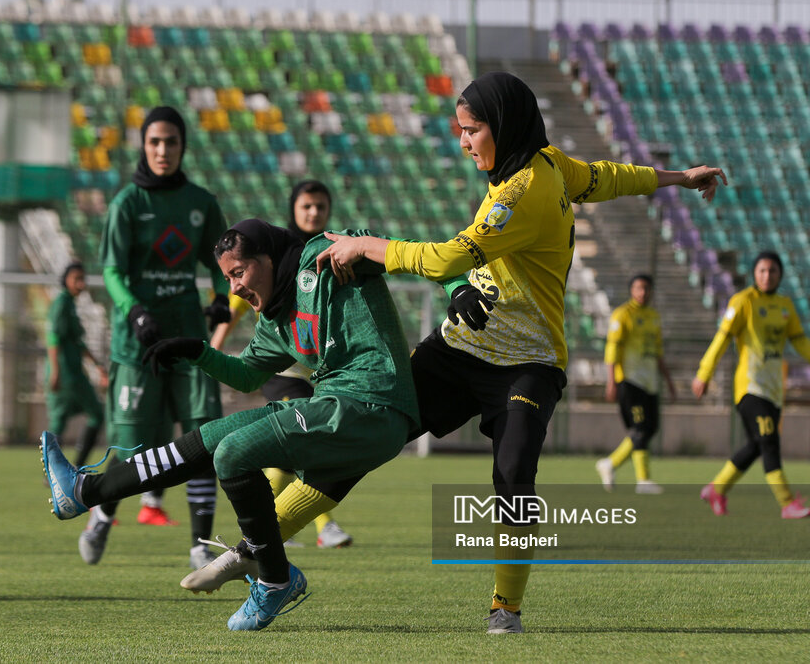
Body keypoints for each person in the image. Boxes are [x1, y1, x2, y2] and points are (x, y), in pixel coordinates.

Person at [309, 72, 726, 634]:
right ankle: (259, 550)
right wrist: (679, 178)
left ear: (502, 127)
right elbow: (606, 176)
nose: (464, 142)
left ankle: (505, 609)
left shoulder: (520, 191)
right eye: (460, 130)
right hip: (463, 346)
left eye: (472, 130)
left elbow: (443, 260)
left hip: (530, 363)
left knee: (513, 476)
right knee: (365, 436)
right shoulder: (550, 163)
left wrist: (366, 245)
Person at [42, 218, 419, 631]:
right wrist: (196, 351)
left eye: (238, 273)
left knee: (234, 452)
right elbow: (246, 376)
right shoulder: (274, 321)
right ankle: (84, 492)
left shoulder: (321, 258)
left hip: (373, 405)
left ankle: (275, 578)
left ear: (268, 259)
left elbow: (409, 255)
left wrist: (453, 285)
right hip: (338, 407)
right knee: (209, 438)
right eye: (227, 278)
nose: (234, 288)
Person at [84, 106, 232, 570]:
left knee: (202, 438)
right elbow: (110, 271)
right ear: (143, 147)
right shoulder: (128, 203)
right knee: (132, 442)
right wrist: (135, 310)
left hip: (188, 339)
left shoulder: (201, 203)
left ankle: (199, 547)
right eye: (154, 142)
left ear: (182, 146)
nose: (162, 150)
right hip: (137, 343)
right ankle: (104, 515)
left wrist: (222, 297)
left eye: (170, 141)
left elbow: (223, 261)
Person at [209, 180, 353, 550]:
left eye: (320, 206)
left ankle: (265, 526)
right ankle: (318, 527)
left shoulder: (326, 249)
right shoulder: (270, 252)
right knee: (299, 446)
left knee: (290, 456)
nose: (314, 213)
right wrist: (214, 350)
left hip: (312, 370)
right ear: (293, 209)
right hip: (282, 369)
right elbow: (238, 299)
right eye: (306, 206)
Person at [692, 251, 810, 519]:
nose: (767, 276)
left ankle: (717, 489)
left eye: (772, 271)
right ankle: (787, 502)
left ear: (780, 274)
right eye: (762, 271)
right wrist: (704, 372)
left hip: (774, 391)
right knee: (769, 441)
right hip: (750, 387)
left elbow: (800, 341)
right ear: (754, 274)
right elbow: (722, 338)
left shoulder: (785, 306)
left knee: (757, 445)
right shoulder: (743, 301)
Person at [594, 274, 676, 494]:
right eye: (639, 288)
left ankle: (610, 464)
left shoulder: (653, 317)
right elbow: (612, 350)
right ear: (631, 290)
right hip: (629, 381)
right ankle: (643, 480)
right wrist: (611, 382)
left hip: (649, 382)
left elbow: (658, 353)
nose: (642, 292)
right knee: (640, 428)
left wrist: (668, 381)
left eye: (646, 288)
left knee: (650, 428)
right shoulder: (622, 315)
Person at [45, 262, 107, 468]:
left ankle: (55, 471)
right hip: (66, 373)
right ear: (66, 280)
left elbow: (77, 342)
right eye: (76, 279)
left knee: (59, 421)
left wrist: (97, 365)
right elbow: (53, 338)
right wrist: (55, 371)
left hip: (71, 371)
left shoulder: (69, 303)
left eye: (83, 279)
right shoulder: (61, 303)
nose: (81, 284)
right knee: (96, 414)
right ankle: (75, 467)